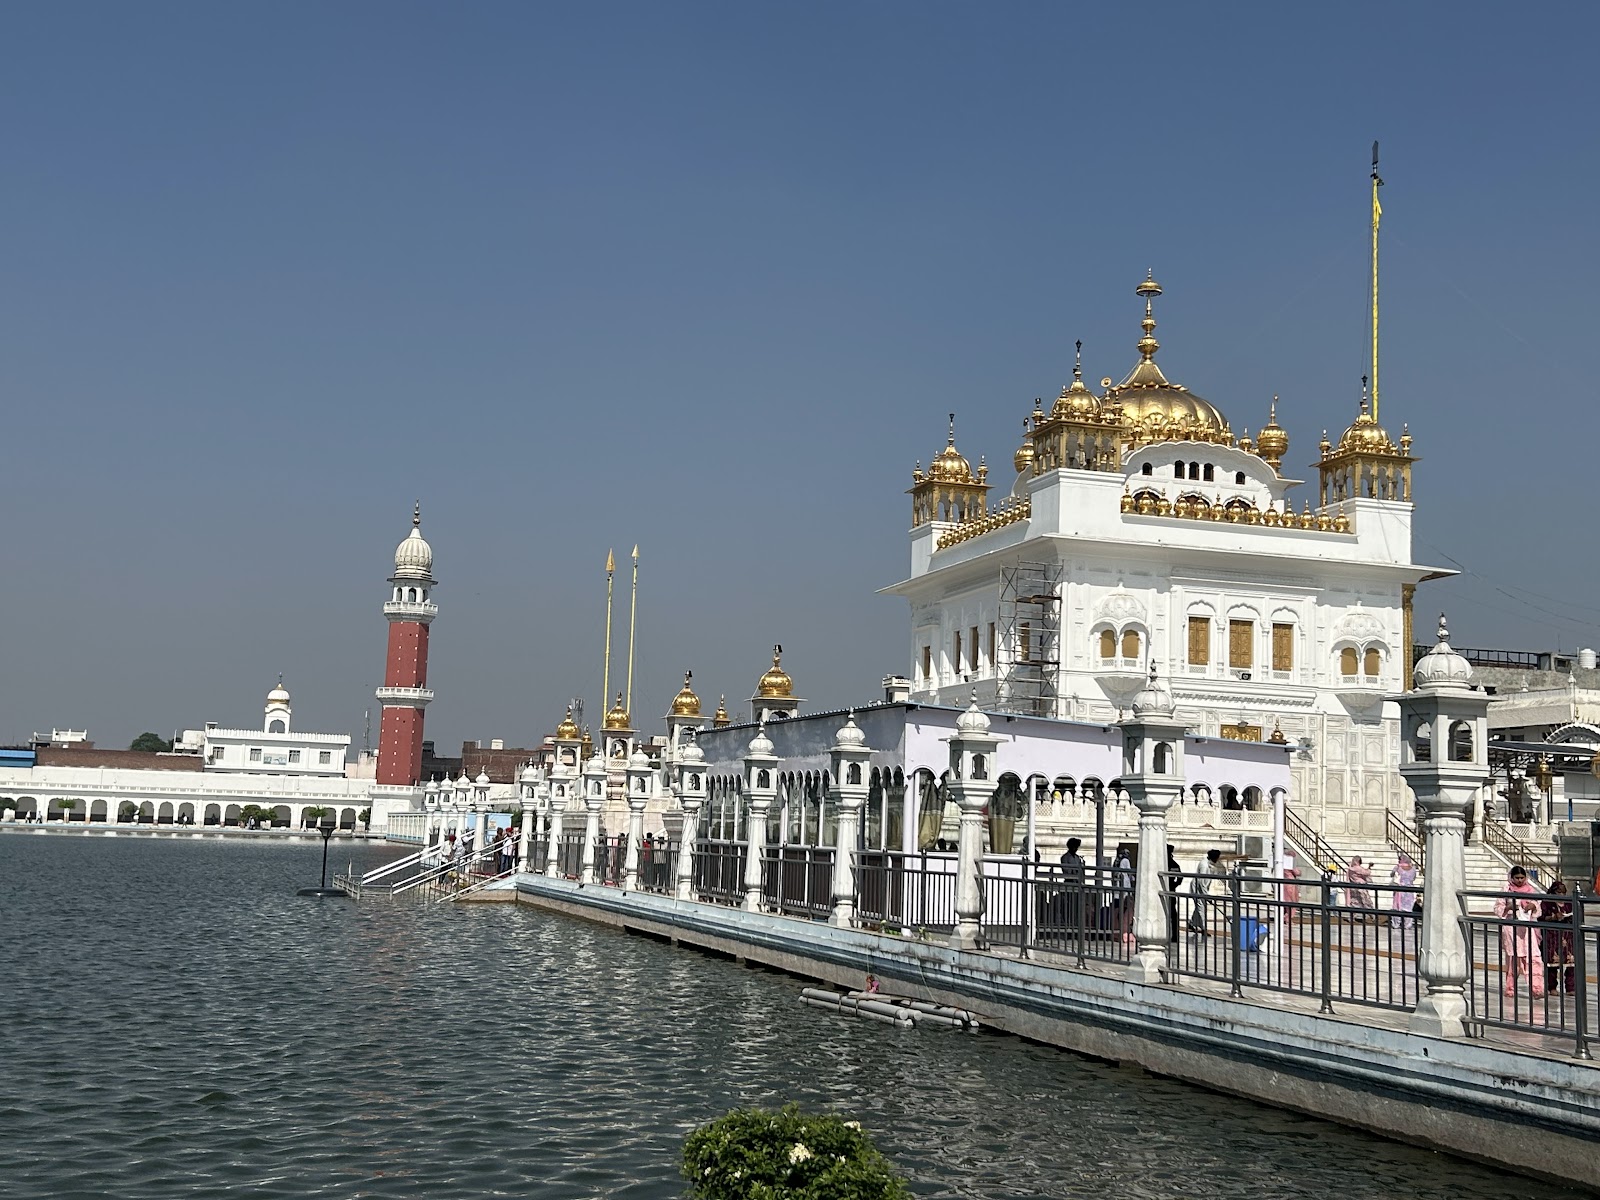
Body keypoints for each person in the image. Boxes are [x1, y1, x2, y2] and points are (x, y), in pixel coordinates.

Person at [1494, 865, 1546, 999]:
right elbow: (1498, 908)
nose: (1519, 880)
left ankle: (1537, 988)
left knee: (1533, 958)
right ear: (1511, 878)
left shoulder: (1529, 890)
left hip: (1527, 928)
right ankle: (1510, 988)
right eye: (1516, 878)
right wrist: (1508, 908)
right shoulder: (1506, 889)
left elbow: (1537, 908)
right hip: (1512, 928)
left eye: (1522, 877)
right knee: (1513, 959)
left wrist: (1533, 906)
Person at [1539, 879, 1576, 995]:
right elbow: (1541, 918)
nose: (1561, 895)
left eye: (1563, 892)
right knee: (1552, 964)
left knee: (1571, 963)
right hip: (1552, 936)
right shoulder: (1547, 903)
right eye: (1559, 892)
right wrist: (1553, 917)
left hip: (1567, 936)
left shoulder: (1569, 903)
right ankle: (1552, 987)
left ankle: (1570, 987)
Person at [1189, 849, 1223, 937]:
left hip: (1202, 890)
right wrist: (1206, 896)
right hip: (1198, 889)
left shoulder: (1209, 864)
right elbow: (1201, 882)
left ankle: (1192, 923)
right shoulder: (1204, 865)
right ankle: (1204, 928)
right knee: (1201, 908)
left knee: (1199, 907)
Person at [1060, 838, 1087, 933]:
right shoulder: (1065, 857)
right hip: (1069, 884)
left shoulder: (1077, 858)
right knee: (1067, 907)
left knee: (1076, 907)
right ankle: (1067, 926)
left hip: (1077, 885)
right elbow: (1066, 871)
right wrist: (1075, 870)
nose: (1076, 849)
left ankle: (1075, 927)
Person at [1388, 853, 1418, 929]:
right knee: (1408, 907)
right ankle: (1407, 924)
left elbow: (1391, 875)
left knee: (1397, 907)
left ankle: (1396, 924)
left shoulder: (1398, 867)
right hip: (1409, 889)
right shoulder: (1413, 868)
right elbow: (1414, 878)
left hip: (1399, 889)